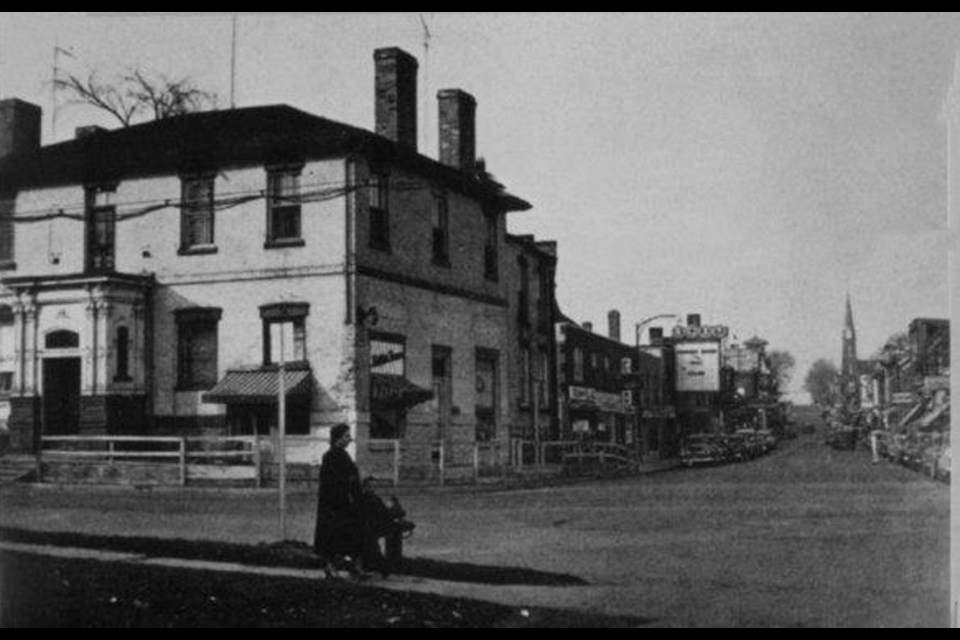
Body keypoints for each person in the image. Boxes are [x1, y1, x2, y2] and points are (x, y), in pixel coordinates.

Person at [313, 423, 369, 579]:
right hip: (335, 505)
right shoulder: (332, 456)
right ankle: (331, 567)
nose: (350, 439)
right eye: (346, 436)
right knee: (333, 536)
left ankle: (355, 565)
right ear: (338, 438)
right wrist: (352, 481)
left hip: (343, 503)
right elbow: (336, 481)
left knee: (352, 534)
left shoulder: (342, 455)